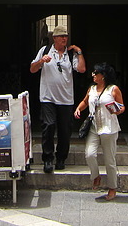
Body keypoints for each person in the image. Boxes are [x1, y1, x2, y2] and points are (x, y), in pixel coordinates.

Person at [30, 24, 86, 173]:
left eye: (66, 36)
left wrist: (79, 52)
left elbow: (81, 69)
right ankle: (47, 159)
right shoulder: (45, 51)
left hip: (66, 99)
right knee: (48, 126)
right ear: (54, 38)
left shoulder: (70, 54)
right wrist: (41, 61)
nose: (64, 39)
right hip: (48, 97)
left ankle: (61, 158)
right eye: (61, 36)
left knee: (65, 130)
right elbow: (32, 69)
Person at [74, 62, 125, 200]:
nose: (93, 75)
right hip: (94, 127)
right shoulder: (91, 89)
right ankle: (95, 175)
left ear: (103, 76)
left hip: (109, 128)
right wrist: (79, 108)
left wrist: (117, 111)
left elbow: (121, 106)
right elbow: (85, 101)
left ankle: (112, 187)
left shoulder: (113, 89)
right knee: (89, 154)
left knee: (109, 159)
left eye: (96, 73)